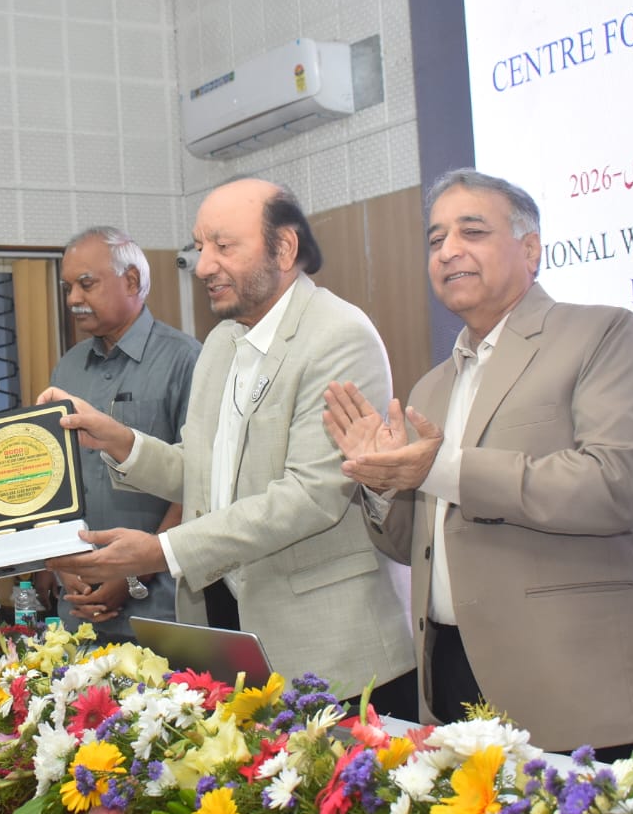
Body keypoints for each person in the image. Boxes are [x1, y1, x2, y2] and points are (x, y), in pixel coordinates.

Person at [323, 168, 633, 756]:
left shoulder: (601, 334)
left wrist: (437, 468)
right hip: (449, 679)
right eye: (436, 239)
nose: (448, 251)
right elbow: (410, 546)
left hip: (576, 686)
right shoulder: (430, 388)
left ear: (530, 249)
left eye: (471, 231)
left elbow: (619, 485)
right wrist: (381, 482)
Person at [42, 179, 415, 714]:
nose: (202, 265)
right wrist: (119, 441)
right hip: (228, 635)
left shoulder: (338, 335)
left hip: (333, 657)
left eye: (223, 246)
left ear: (284, 249)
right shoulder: (223, 342)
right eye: (199, 246)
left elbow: (310, 495)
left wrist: (163, 551)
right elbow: (202, 469)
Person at [48, 226, 199, 641]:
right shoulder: (68, 368)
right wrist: (64, 564)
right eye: (68, 287)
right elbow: (53, 478)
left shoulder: (187, 360)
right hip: (76, 606)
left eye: (86, 284)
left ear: (131, 280)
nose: (73, 299)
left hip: (161, 607)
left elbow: (199, 483)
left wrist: (134, 572)